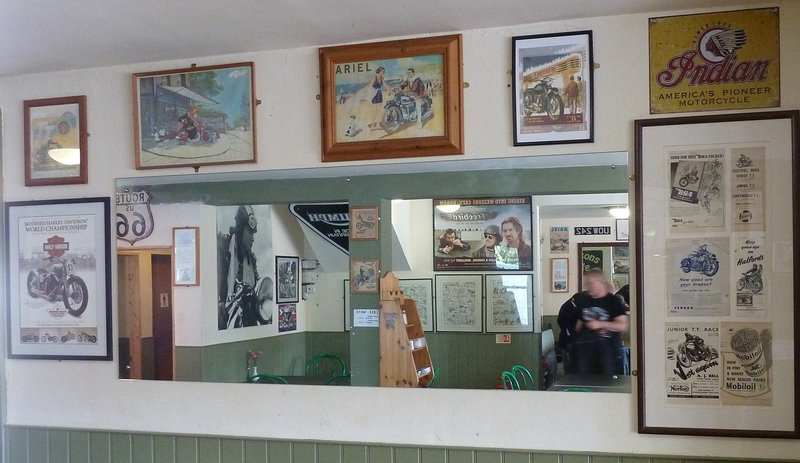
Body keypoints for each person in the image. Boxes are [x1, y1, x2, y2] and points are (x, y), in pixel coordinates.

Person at [218, 205, 273, 329]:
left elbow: (257, 288)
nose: (253, 239)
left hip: (247, 316)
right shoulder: (224, 249)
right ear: (241, 229)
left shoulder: (251, 259)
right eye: (250, 233)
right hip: (227, 316)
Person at [569, 269, 629, 379]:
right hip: (585, 354)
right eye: (587, 283)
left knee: (606, 385)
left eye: (591, 283)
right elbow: (578, 326)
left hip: (608, 353)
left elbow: (622, 325)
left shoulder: (614, 301)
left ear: (600, 282)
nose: (588, 286)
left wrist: (600, 324)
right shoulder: (583, 301)